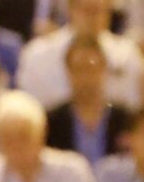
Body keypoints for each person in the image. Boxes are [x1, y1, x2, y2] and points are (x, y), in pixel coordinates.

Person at [15, 0, 144, 110]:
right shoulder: (37, 54)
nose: (93, 18)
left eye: (100, 11)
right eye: (87, 10)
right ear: (70, 10)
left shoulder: (128, 55)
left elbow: (134, 106)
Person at [45, 35, 133, 166]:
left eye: (91, 68)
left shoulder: (125, 120)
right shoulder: (52, 122)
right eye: (78, 69)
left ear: (104, 69)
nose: (85, 77)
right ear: (68, 72)